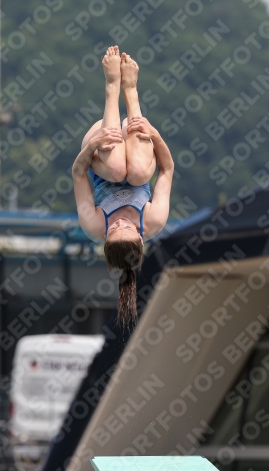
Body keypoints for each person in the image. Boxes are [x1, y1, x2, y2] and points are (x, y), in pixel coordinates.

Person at [72, 46, 174, 326]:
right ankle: (131, 90)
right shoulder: (153, 220)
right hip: (138, 138)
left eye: (112, 230)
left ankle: (112, 86)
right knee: (140, 173)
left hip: (102, 144)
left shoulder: (94, 224)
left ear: (105, 238)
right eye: (124, 227)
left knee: (117, 170)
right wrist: (155, 135)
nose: (116, 223)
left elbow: (79, 174)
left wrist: (91, 146)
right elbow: (166, 169)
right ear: (141, 237)